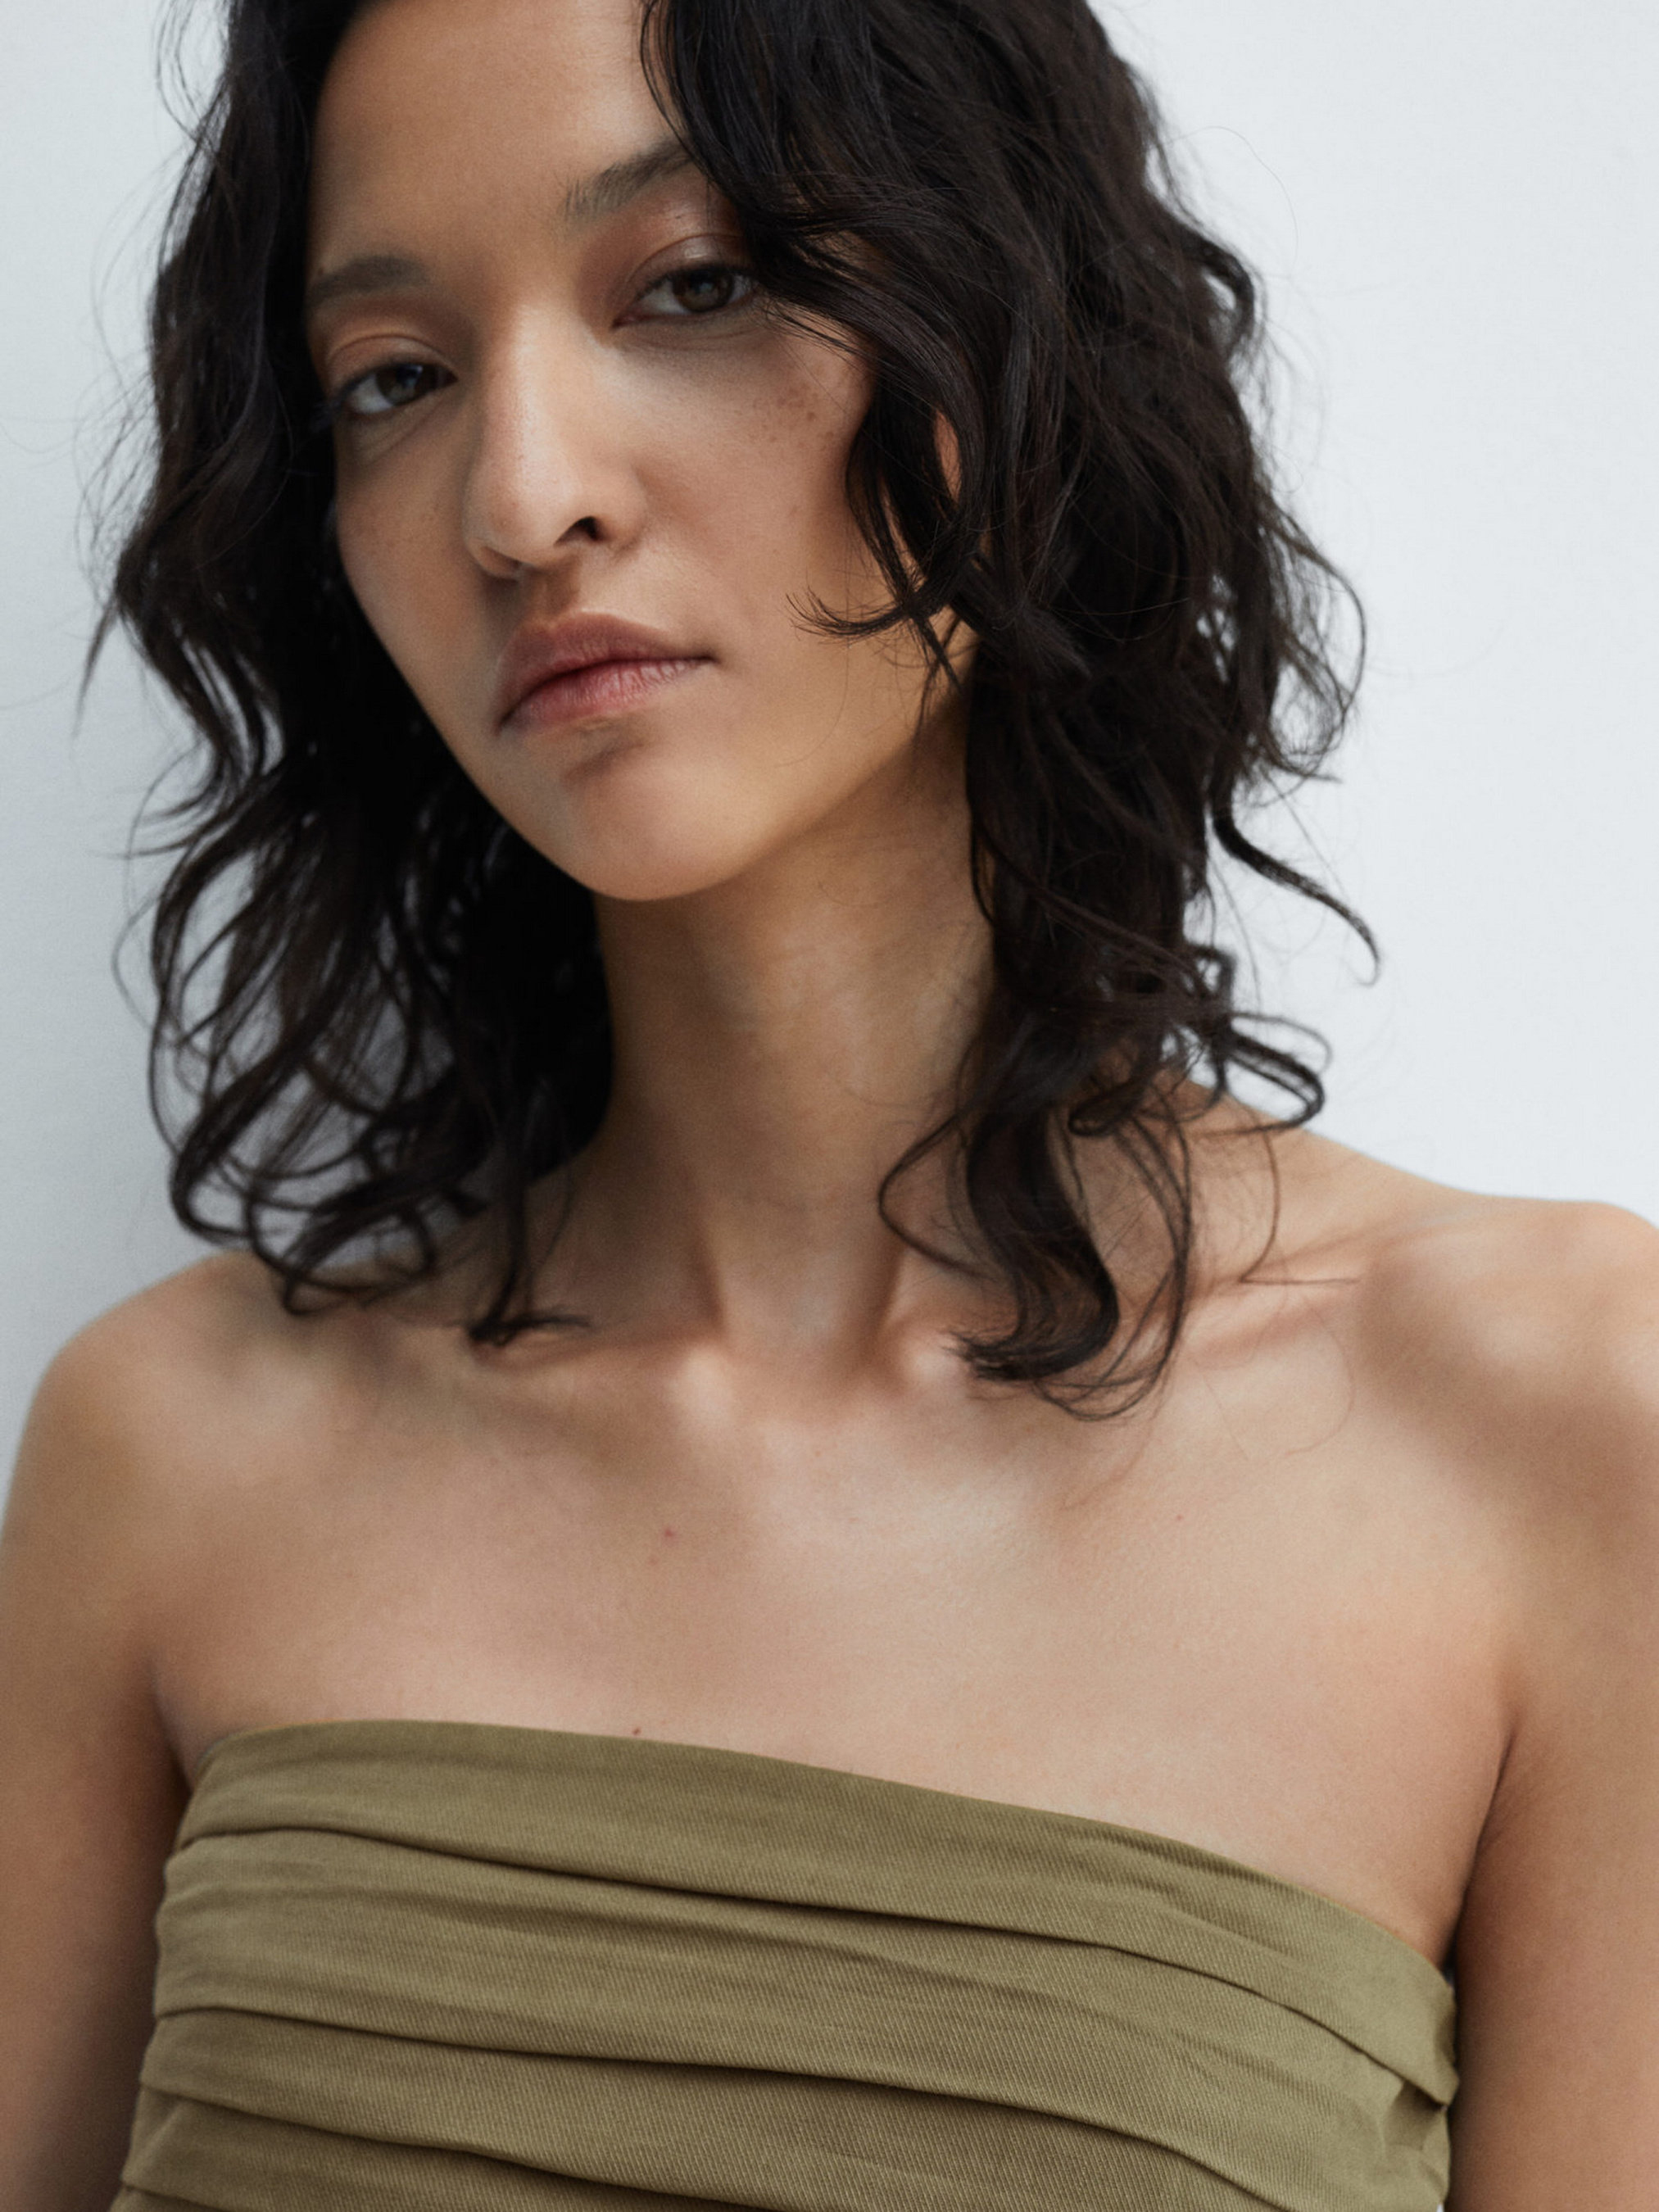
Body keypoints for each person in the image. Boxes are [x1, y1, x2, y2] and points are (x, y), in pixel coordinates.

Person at [2, 0, 1657, 2202]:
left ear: (1003, 318)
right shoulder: (167, 1459)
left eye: (692, 284)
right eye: (392, 378)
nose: (522, 497)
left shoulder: (1552, 1434)